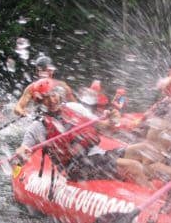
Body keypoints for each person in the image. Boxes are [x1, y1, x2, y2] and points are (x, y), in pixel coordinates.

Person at [15, 78, 153, 188]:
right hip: (76, 167)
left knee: (144, 149)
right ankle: (154, 203)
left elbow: (102, 127)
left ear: (58, 93)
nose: (52, 100)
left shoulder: (73, 107)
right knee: (133, 166)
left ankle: (157, 181)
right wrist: (22, 152)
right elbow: (23, 149)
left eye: (53, 95)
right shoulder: (38, 125)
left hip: (96, 154)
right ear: (40, 102)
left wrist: (111, 120)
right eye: (46, 98)